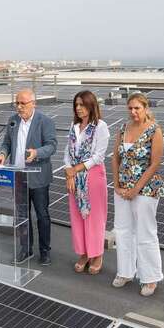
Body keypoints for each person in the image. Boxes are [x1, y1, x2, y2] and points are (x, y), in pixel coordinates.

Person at [111, 92, 164, 296]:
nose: (133, 112)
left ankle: (150, 278)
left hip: (146, 190)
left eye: (137, 108)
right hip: (122, 189)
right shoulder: (123, 128)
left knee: (145, 232)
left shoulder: (154, 130)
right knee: (123, 231)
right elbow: (115, 158)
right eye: (130, 108)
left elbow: (155, 163)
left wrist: (136, 189)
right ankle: (125, 272)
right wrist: (117, 185)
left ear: (145, 108)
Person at [0, 88, 57, 265]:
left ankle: (44, 251)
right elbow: (7, 143)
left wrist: (36, 152)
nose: (19, 107)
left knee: (42, 215)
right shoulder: (13, 121)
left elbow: (52, 146)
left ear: (33, 104)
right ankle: (26, 248)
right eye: (17, 103)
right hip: (18, 176)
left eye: (23, 103)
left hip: (38, 177)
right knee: (22, 214)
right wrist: (2, 153)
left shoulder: (45, 121)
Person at [63, 90, 110, 275]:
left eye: (82, 104)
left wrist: (76, 169)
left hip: (93, 175)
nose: (78, 108)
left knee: (94, 217)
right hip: (74, 176)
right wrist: (69, 172)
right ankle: (83, 253)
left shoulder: (100, 126)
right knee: (77, 216)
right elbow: (67, 151)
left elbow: (99, 156)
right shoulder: (73, 126)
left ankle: (96, 254)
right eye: (76, 105)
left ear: (91, 105)